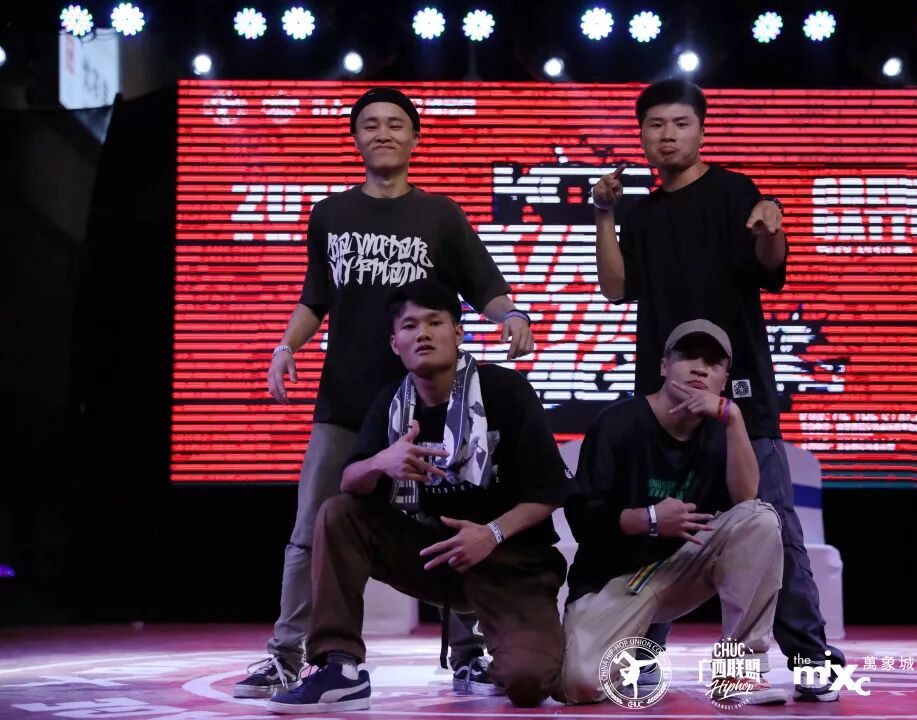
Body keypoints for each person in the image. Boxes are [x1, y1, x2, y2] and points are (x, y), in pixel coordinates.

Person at [235, 88, 535, 699]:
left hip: (430, 405)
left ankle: (469, 654)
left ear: (415, 137)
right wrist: (285, 346)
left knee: (451, 519)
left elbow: (485, 284)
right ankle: (286, 656)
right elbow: (315, 296)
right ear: (355, 138)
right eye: (370, 124)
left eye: (396, 124)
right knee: (310, 530)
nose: (383, 133)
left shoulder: (440, 215)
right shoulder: (330, 214)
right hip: (345, 405)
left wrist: (511, 315)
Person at [589, 79, 844, 701]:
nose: (667, 135)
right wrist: (604, 215)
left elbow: (771, 266)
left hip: (741, 401)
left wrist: (771, 226)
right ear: (641, 134)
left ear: (701, 130)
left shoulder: (735, 192)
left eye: (680, 123)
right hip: (664, 406)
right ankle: (641, 660)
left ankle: (810, 659)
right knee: (659, 530)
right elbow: (616, 289)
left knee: (773, 528)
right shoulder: (640, 213)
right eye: (655, 125)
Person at [267, 279, 576, 713]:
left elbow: (552, 490)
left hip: (511, 564)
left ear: (459, 333)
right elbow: (350, 482)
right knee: (339, 512)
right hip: (435, 560)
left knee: (528, 683)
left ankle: (510, 649)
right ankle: (339, 667)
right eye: (410, 326)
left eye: (435, 322)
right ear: (395, 344)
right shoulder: (391, 402)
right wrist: (381, 462)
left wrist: (490, 533)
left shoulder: (505, 391)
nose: (423, 334)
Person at [559, 320, 787, 706]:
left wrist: (734, 417)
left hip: (681, 569)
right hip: (615, 578)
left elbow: (746, 502)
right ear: (664, 366)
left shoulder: (722, 431)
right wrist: (649, 519)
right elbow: (583, 518)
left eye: (713, 363)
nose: (700, 369)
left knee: (761, 520)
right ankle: (633, 647)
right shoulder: (618, 423)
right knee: (579, 684)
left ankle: (738, 670)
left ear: (724, 379)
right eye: (688, 357)